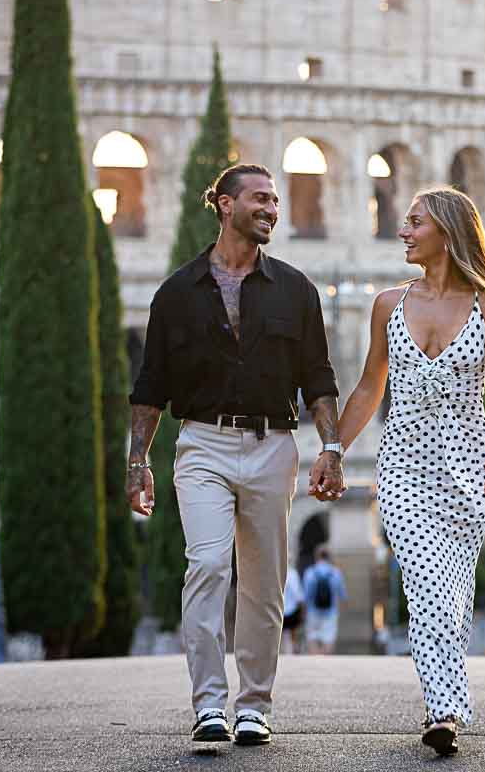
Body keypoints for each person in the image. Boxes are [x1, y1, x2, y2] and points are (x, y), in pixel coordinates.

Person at [126, 164, 347, 747]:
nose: (272, 209)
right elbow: (150, 387)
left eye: (275, 200)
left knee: (264, 582)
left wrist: (330, 447)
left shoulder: (296, 290)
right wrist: (138, 461)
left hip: (275, 445)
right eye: (260, 199)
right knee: (207, 566)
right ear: (224, 205)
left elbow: (318, 379)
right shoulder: (176, 294)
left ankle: (254, 705)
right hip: (202, 443)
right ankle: (208, 704)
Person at [336, 186, 485, 756]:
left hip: (469, 467)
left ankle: (446, 704)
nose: (402, 231)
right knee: (426, 584)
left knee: (454, 592)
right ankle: (443, 710)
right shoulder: (389, 303)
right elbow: (370, 386)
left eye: (414, 222)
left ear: (446, 231)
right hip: (404, 466)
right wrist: (334, 449)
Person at [302, 546, 348, 655]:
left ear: (317, 556)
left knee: (312, 637)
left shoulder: (310, 572)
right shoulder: (336, 572)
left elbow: (306, 596)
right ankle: (325, 660)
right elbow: (343, 595)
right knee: (329, 639)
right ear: (329, 557)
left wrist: (303, 612)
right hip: (330, 612)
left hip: (313, 612)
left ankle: (316, 660)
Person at [281, 562, 305, 655]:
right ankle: (290, 651)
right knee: (291, 634)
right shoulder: (292, 574)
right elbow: (297, 594)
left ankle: (285, 651)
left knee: (282, 634)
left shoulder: (277, 573)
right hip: (291, 609)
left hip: (280, 609)